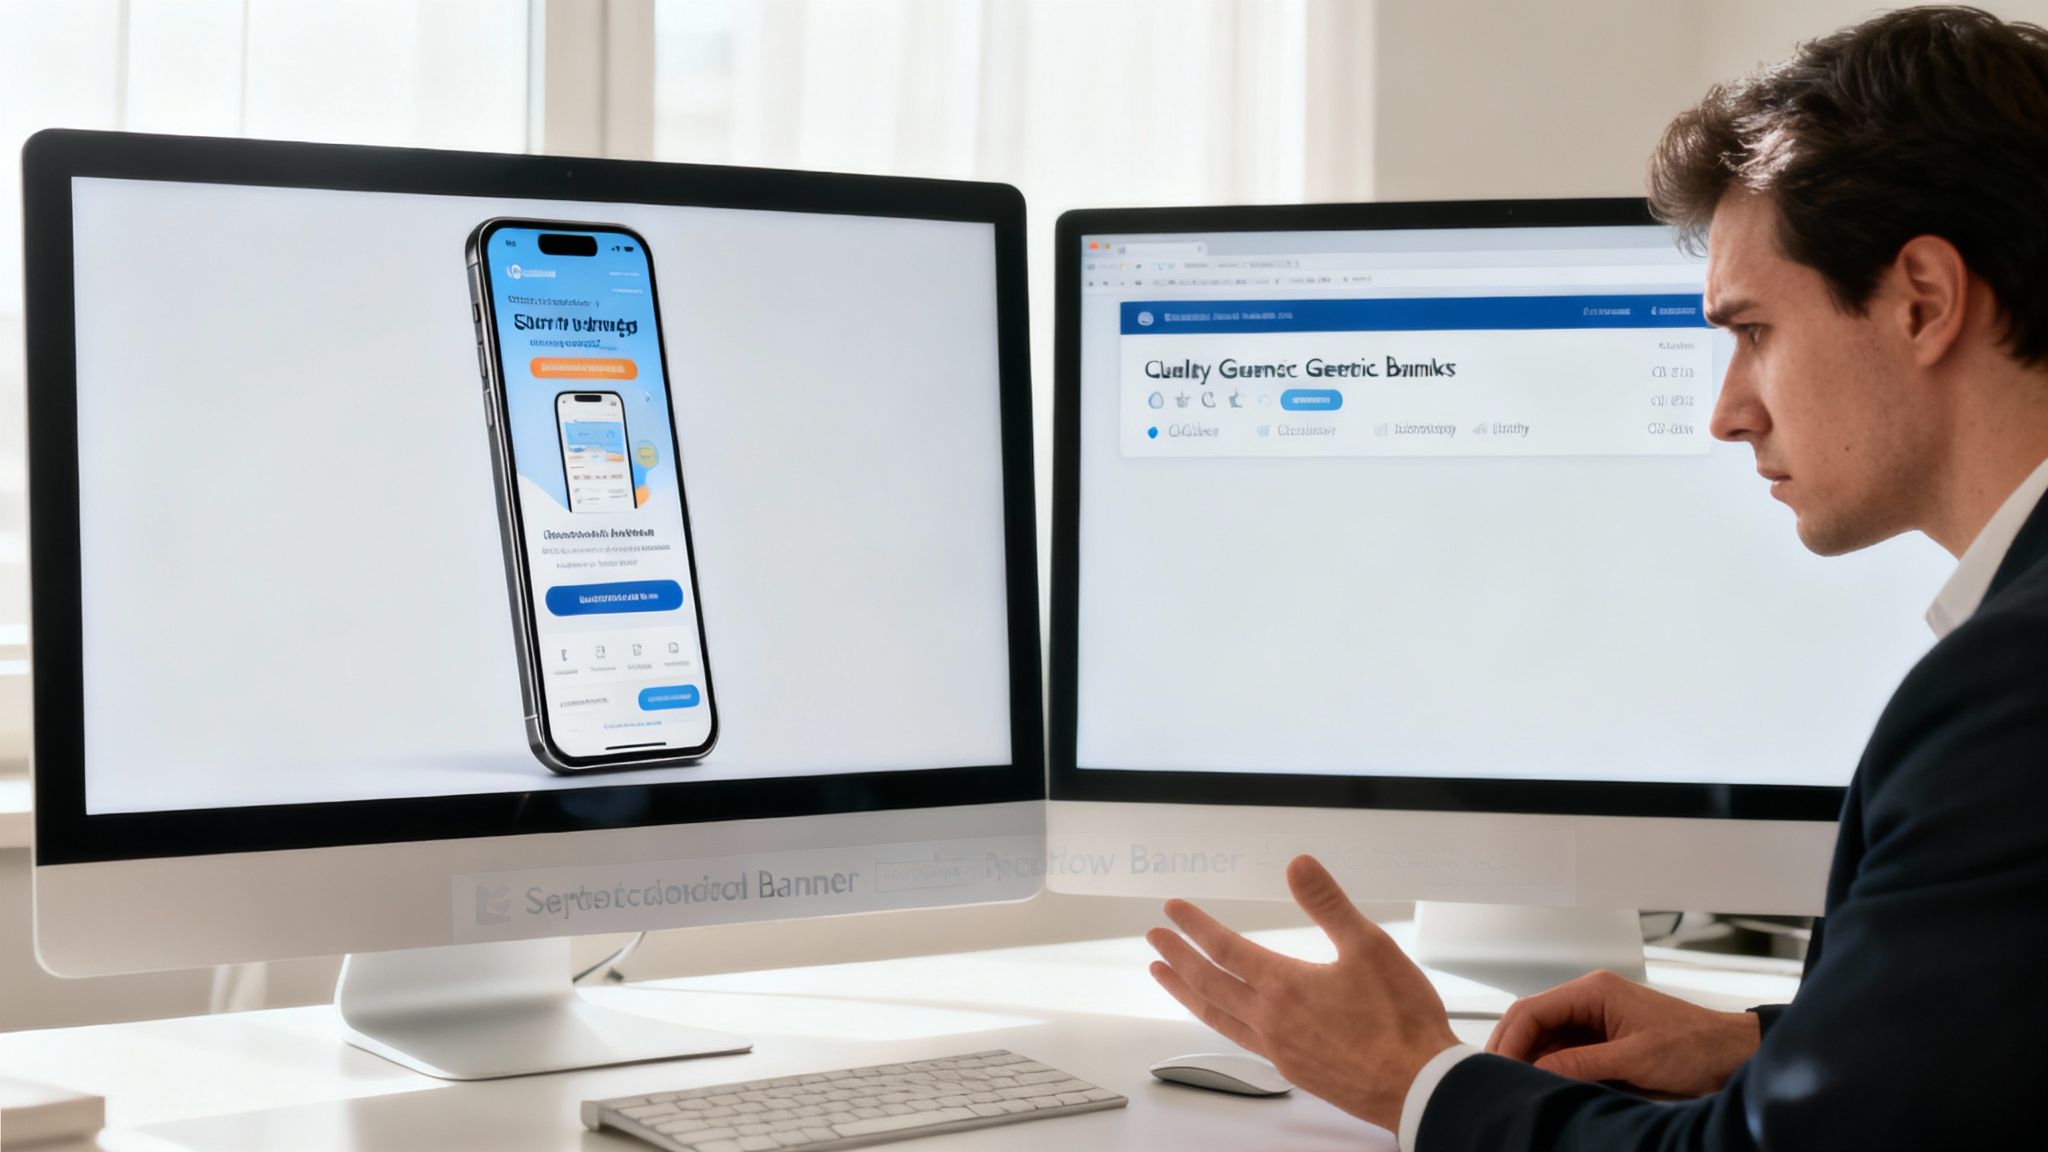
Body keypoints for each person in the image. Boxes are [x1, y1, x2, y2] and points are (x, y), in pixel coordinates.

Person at [1143, 7, 2048, 1149]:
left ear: (1921, 298)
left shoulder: (2011, 681)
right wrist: (1773, 1042)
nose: (1725, 413)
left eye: (1752, 330)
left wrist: (1412, 1082)